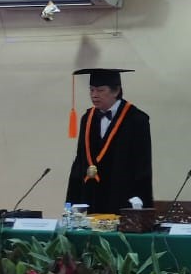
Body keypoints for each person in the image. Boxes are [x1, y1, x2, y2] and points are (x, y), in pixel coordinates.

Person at [65, 68, 153, 213]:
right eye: (91, 90)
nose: (94, 95)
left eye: (100, 90)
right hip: (91, 196)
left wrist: (140, 202)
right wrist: (73, 199)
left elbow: (142, 165)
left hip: (121, 196)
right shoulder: (87, 118)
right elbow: (80, 159)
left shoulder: (136, 119)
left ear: (116, 91)